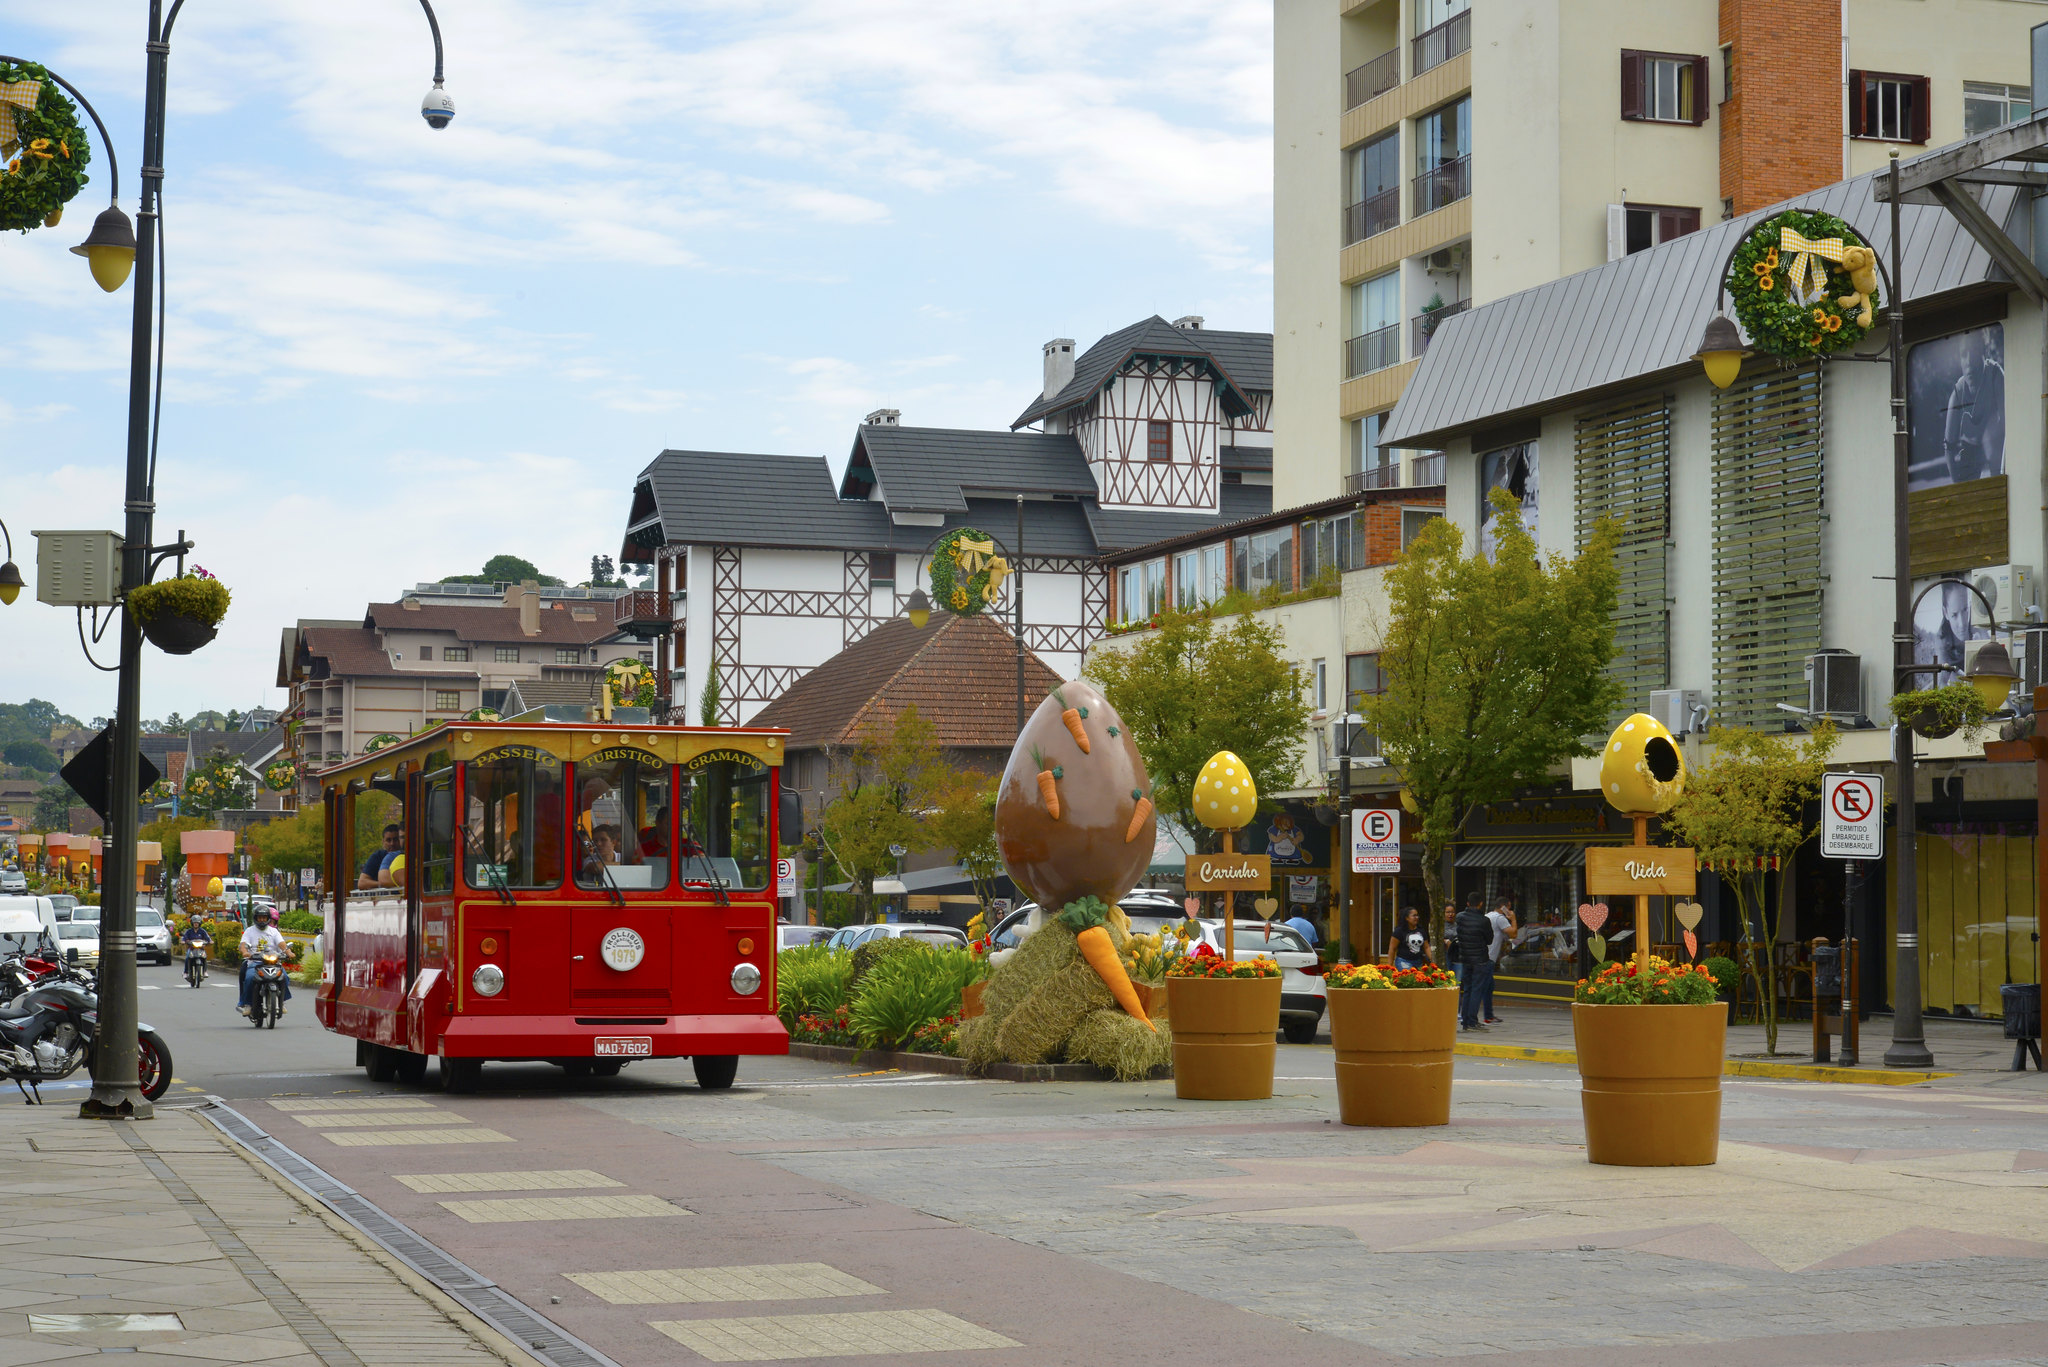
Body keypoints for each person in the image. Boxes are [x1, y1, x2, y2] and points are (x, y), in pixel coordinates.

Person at [237, 908, 293, 1017]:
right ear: (255, 918)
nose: (262, 920)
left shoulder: (273, 931)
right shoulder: (249, 931)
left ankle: (281, 1002)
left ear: (268, 918)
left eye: (264, 917)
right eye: (260, 917)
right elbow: (243, 945)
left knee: (284, 977)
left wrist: (288, 952)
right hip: (255, 962)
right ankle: (248, 1004)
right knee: (249, 978)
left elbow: (281, 944)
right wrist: (245, 952)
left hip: (273, 962)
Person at [1453, 893, 1493, 1031]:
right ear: (1481, 903)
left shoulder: (1460, 917)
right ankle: (1472, 1021)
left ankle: (1465, 1021)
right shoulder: (1484, 921)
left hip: (1465, 958)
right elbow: (1489, 940)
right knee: (1477, 989)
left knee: (1468, 989)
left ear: (1468, 903)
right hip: (1480, 959)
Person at [1483, 899, 1515, 1024]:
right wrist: (1513, 919)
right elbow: (1513, 933)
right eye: (1509, 908)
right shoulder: (1500, 918)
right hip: (1489, 958)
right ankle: (1486, 1016)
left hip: (1485, 956)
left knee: (1488, 986)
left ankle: (1488, 1015)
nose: (1510, 911)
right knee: (1484, 987)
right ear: (1503, 907)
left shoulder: (1488, 916)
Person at [357, 825, 400, 890]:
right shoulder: (378, 856)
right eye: (388, 840)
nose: (392, 843)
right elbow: (362, 883)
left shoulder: (406, 856)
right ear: (383, 842)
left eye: (395, 839)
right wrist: (384, 884)